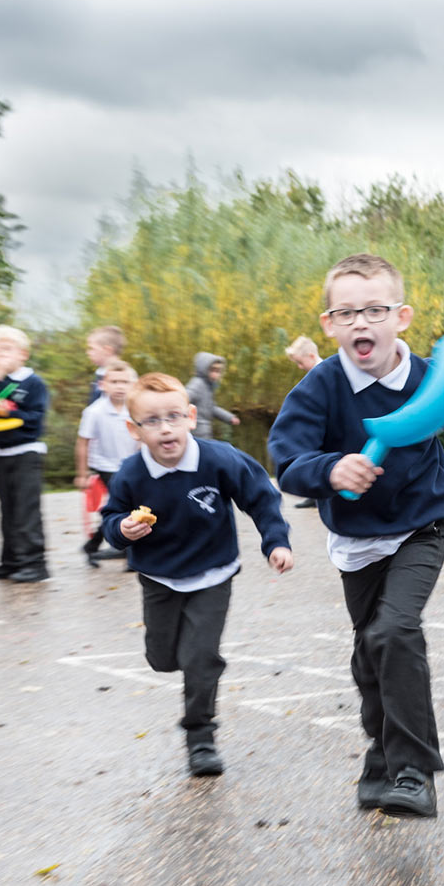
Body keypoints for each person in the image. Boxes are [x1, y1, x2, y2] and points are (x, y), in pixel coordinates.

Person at [268, 253, 444, 819]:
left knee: (395, 631)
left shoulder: (423, 376)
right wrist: (330, 470)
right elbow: (287, 459)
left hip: (422, 526)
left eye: (374, 310)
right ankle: (380, 752)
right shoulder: (321, 387)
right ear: (329, 324)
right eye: (348, 313)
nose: (361, 323)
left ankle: (415, 771)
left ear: (402, 316)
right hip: (356, 537)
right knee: (369, 650)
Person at [100, 373, 292, 777]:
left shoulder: (218, 458)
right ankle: (176, 662)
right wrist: (122, 530)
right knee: (163, 658)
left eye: (173, 416)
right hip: (159, 576)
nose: (165, 428)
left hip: (212, 572)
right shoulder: (131, 474)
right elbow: (110, 520)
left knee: (200, 657)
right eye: (152, 421)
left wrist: (276, 542)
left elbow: (260, 496)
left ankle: (200, 736)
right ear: (134, 430)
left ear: (190, 416)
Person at [0, 325, 50, 583]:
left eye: (6, 349)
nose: (0, 355)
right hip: (1, 452)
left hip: (26, 452)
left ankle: (35, 563)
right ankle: (10, 561)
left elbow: (36, 419)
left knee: (26, 510)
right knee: (7, 510)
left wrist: (10, 413)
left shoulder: (33, 383)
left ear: (23, 354)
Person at [76, 360, 141, 566]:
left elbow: (141, 436)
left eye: (125, 382)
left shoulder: (135, 409)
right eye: (114, 381)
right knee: (125, 507)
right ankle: (131, 557)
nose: (120, 386)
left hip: (130, 465)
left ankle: (92, 546)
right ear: (103, 385)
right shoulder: (94, 411)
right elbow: (82, 442)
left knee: (125, 507)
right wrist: (82, 473)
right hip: (106, 466)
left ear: (133, 384)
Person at [284, 336, 322, 508]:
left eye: (300, 362)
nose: (299, 367)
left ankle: (317, 496)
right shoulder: (315, 374)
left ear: (311, 356)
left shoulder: (323, 374)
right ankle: (314, 496)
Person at [186, 352, 240, 440]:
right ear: (204, 369)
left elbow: (211, 408)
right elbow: (184, 398)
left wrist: (229, 417)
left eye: (218, 371)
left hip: (204, 431)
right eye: (213, 370)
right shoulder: (197, 384)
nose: (216, 375)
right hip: (196, 431)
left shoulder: (207, 386)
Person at [85, 325, 126, 405]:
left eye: (92, 348)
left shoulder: (125, 376)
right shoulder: (100, 373)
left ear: (107, 350)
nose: (88, 352)